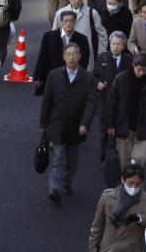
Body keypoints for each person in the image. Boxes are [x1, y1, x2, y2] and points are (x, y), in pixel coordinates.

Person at [40, 43, 96, 204]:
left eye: (75, 54)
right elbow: (47, 101)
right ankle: (54, 189)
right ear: (63, 57)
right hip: (57, 123)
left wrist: (85, 123)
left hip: (76, 126)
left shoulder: (88, 78)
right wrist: (43, 123)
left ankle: (67, 182)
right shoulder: (54, 75)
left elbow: (91, 103)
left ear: (80, 56)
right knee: (57, 157)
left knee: (72, 159)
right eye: (68, 54)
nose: (71, 57)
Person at [106, 52, 146, 171]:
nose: (142, 73)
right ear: (133, 65)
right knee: (123, 163)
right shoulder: (121, 79)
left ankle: (138, 186)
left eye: (145, 70)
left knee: (143, 159)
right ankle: (125, 187)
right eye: (139, 69)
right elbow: (112, 102)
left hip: (144, 126)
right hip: (124, 126)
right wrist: (110, 124)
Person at [88, 163, 146, 251]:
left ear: (142, 183)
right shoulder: (107, 198)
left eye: (137, 184)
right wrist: (92, 249)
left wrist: (139, 219)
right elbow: (97, 228)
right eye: (130, 183)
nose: (133, 187)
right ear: (123, 180)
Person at [94, 31, 133, 163]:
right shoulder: (103, 57)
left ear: (123, 46)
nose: (115, 47)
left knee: (120, 130)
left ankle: (119, 157)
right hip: (105, 100)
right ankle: (104, 157)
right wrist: (98, 83)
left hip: (123, 101)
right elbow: (94, 75)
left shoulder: (129, 59)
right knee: (104, 132)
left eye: (118, 44)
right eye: (113, 43)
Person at [52, 0, 107, 72]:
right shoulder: (60, 13)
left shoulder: (92, 13)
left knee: (85, 78)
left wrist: (100, 52)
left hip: (86, 52)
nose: (77, 0)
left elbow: (102, 34)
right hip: (65, 53)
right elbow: (54, 35)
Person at [34, 11, 90, 93]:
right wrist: (38, 76)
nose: (68, 23)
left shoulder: (82, 39)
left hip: (73, 78)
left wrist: (80, 76)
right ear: (61, 22)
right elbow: (42, 56)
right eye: (66, 21)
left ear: (75, 22)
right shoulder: (49, 36)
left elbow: (84, 59)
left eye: (71, 21)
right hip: (53, 77)